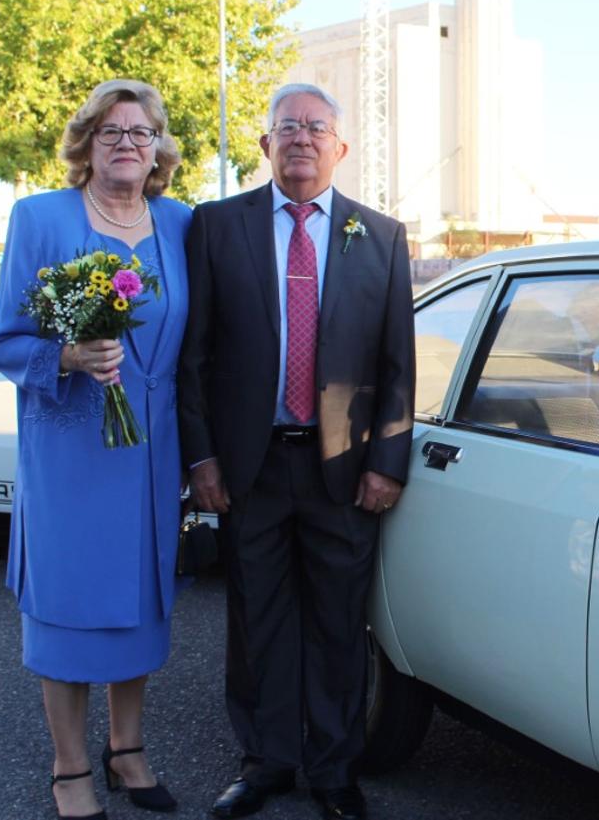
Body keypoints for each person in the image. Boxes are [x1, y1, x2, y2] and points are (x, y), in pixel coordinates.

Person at [178, 83, 415, 820]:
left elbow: (396, 363)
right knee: (258, 620)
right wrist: (202, 459)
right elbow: (196, 355)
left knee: (340, 623)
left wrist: (387, 461)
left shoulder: (380, 235)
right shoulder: (216, 226)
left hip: (342, 471)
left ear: (340, 147)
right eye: (287, 127)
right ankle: (266, 759)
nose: (301, 138)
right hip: (250, 466)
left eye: (316, 127)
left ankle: (334, 768)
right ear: (265, 144)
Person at [0, 79, 191, 820]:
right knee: (71, 602)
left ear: (159, 147)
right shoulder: (39, 217)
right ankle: (70, 764)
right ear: (86, 144)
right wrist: (68, 357)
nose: (127, 143)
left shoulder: (182, 222)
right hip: (69, 450)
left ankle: (127, 748)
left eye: (140, 132)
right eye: (110, 132)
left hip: (150, 453)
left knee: (137, 600)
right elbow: (1, 336)